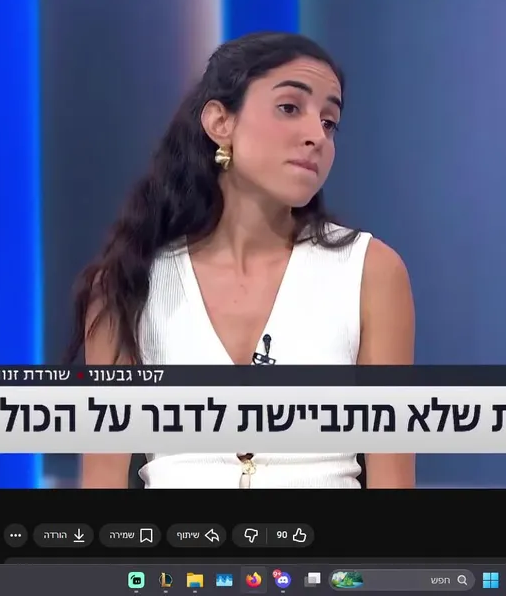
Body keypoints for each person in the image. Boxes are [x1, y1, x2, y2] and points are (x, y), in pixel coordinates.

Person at [69, 32, 416, 489]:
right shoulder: (129, 281)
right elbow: (102, 483)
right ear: (220, 122)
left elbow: (393, 481)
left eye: (329, 121)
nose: (316, 136)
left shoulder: (370, 272)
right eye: (289, 107)